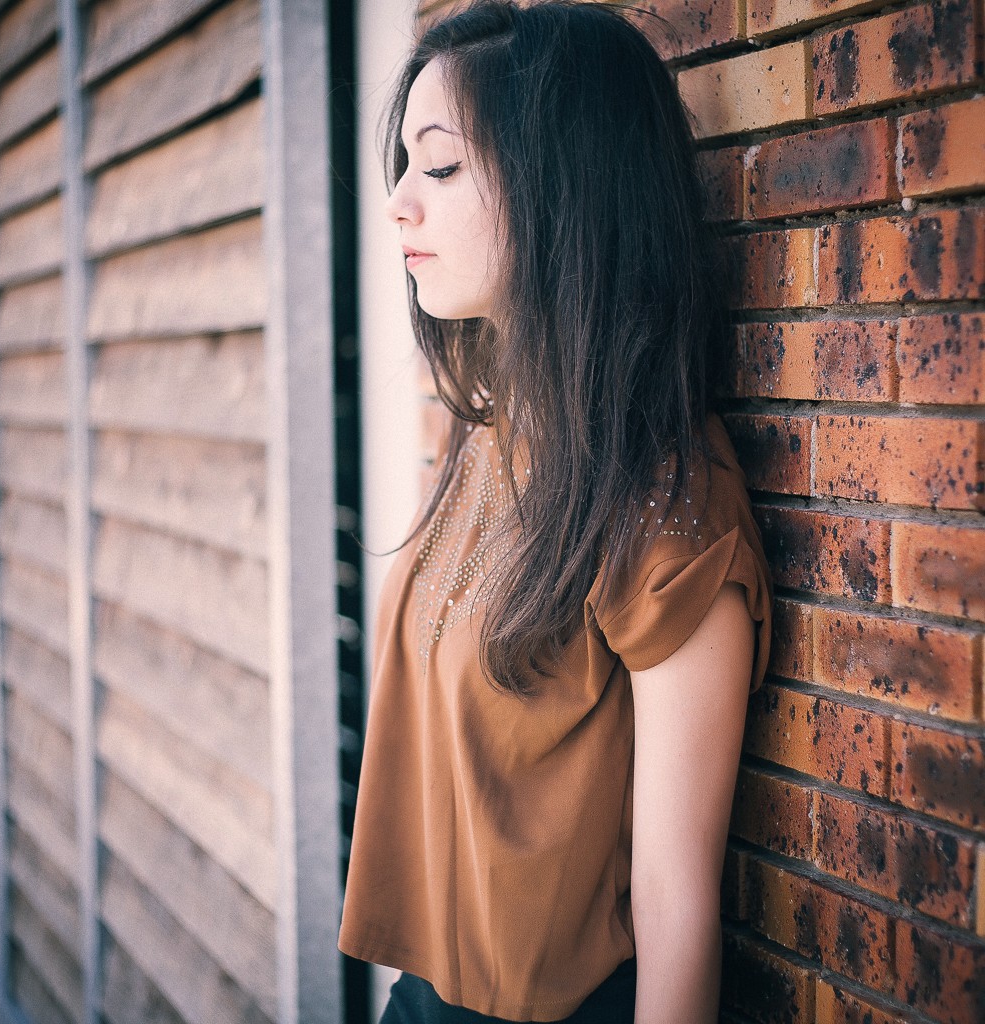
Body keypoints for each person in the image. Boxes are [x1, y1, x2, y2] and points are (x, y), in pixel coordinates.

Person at [336, 2, 774, 1022]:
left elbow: (673, 899)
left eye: (438, 167)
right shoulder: (487, 438)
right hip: (420, 998)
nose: (397, 200)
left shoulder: (666, 511)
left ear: (560, 187)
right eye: (403, 164)